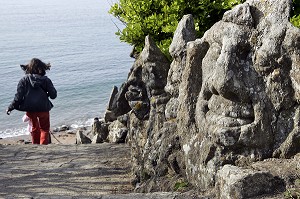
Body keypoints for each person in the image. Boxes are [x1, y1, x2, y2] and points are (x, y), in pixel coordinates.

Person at [6, 58, 57, 145]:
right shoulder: (46, 80)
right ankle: (43, 148)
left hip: (31, 109)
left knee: (34, 128)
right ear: (41, 68)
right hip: (43, 108)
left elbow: (18, 97)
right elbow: (53, 95)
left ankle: (35, 147)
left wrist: (10, 107)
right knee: (44, 129)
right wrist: (47, 93)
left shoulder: (24, 80)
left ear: (29, 68)